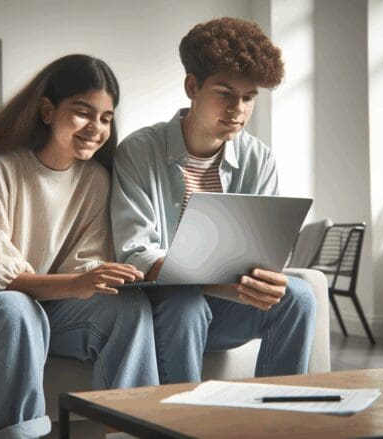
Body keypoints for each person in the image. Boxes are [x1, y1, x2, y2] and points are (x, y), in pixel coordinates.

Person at [0, 54, 157, 439]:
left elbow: (84, 270)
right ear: (47, 110)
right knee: (15, 309)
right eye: (83, 112)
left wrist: (97, 279)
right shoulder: (1, 171)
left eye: (106, 118)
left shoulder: (96, 180)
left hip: (43, 312)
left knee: (128, 308)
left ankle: (134, 432)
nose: (96, 127)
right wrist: (75, 284)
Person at [111, 17, 317, 384]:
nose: (238, 109)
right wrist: (211, 283)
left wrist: (264, 279)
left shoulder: (259, 158)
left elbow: (262, 251)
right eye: (225, 93)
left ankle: (283, 416)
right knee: (184, 303)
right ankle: (182, 421)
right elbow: (135, 253)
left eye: (249, 97)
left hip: (228, 304)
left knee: (299, 295)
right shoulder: (139, 151)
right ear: (192, 86)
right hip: (168, 306)